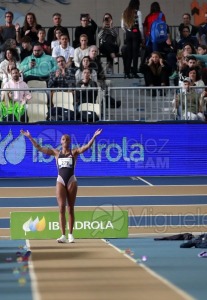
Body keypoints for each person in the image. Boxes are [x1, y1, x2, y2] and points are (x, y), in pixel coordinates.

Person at [20, 128, 103, 243]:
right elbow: (39, 147)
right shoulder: (56, 153)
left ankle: (70, 235)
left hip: (71, 181)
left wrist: (94, 136)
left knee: (70, 209)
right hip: (60, 180)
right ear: (61, 141)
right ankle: (63, 235)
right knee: (61, 208)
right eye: (64, 139)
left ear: (69, 142)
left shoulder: (74, 152)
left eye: (67, 139)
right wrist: (29, 137)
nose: (66, 141)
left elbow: (87, 147)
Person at [121, 0, 144, 78]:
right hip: (136, 33)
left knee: (129, 54)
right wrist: (142, 37)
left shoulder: (125, 12)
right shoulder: (138, 12)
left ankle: (127, 72)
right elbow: (140, 26)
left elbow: (122, 26)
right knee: (135, 54)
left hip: (128, 34)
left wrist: (127, 31)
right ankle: (134, 72)